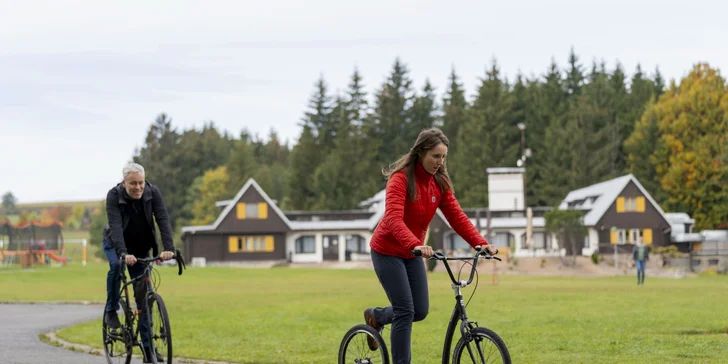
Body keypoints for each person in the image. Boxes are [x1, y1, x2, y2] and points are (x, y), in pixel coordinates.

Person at [363, 128, 498, 364]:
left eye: (444, 157)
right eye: (436, 156)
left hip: (412, 251)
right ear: (421, 153)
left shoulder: (439, 182)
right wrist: (416, 243)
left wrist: (481, 243)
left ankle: (376, 316)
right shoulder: (401, 178)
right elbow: (393, 218)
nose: (440, 162)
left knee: (420, 311)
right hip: (386, 250)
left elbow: (456, 216)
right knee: (405, 310)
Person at [103, 162, 175, 363]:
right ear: (124, 182)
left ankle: (148, 349)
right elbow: (116, 226)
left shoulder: (153, 193)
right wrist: (123, 252)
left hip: (140, 247)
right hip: (115, 244)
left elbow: (162, 219)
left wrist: (168, 248)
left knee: (144, 298)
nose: (138, 187)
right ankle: (111, 310)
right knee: (117, 266)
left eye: (141, 183)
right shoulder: (113, 196)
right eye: (133, 183)